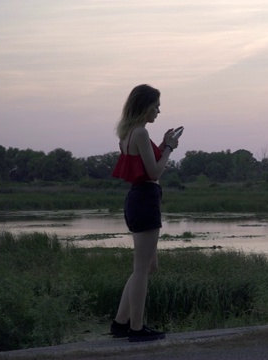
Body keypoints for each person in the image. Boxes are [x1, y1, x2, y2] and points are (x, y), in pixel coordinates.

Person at [109, 84, 180, 342]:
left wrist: (161, 144)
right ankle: (136, 329)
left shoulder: (129, 134)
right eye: (156, 106)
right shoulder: (139, 132)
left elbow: (146, 162)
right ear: (144, 105)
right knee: (141, 269)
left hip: (139, 199)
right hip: (145, 199)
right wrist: (170, 148)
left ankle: (120, 323)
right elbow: (155, 172)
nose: (159, 111)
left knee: (150, 266)